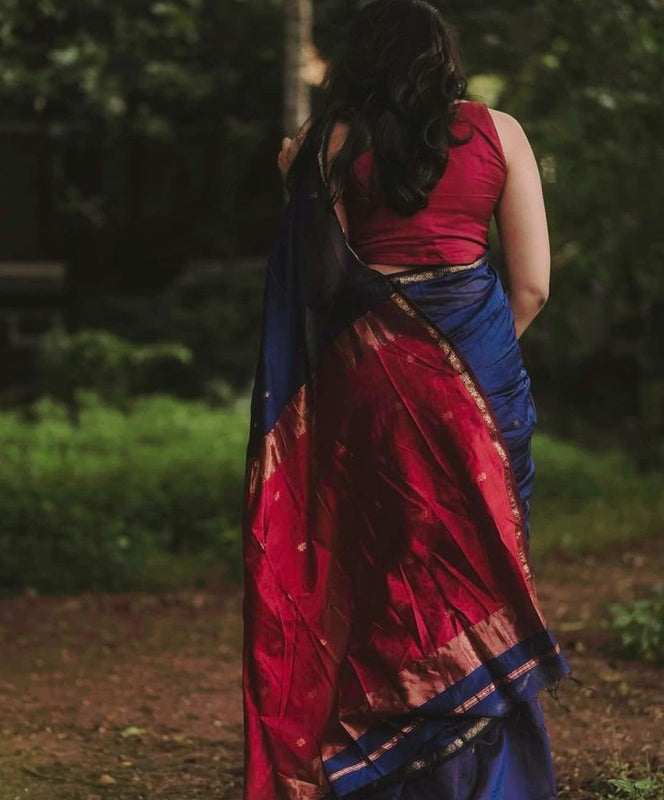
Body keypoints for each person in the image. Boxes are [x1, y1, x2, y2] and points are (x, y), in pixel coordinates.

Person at [242, 2, 573, 799]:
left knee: (382, 565)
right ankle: (487, 776)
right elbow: (530, 284)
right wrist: (465, 363)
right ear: (444, 58)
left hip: (368, 389)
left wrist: (302, 185)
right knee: (482, 565)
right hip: (484, 381)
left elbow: (318, 289)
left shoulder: (334, 142)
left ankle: (383, 769)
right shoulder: (501, 132)